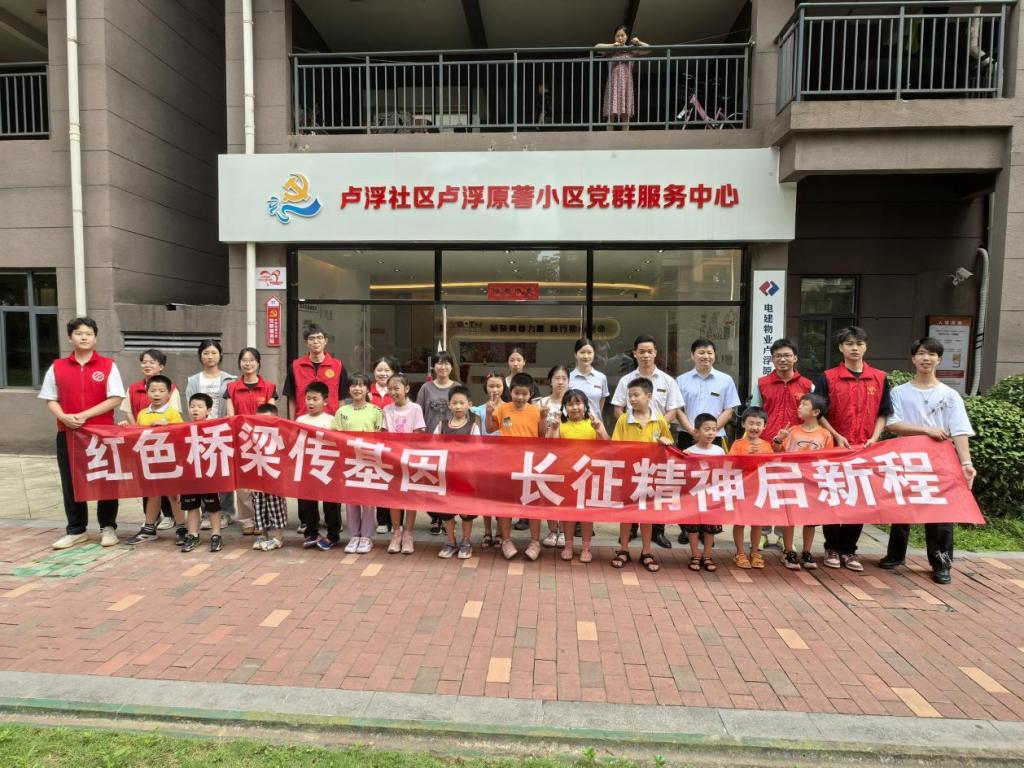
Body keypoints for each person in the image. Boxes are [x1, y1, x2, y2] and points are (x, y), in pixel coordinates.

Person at [879, 337, 976, 584]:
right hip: (906, 457)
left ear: (939, 360)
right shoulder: (899, 392)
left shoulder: (949, 395)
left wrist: (966, 463)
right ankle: (895, 555)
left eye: (932, 354)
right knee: (901, 508)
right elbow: (892, 424)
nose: (926, 358)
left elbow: (959, 430)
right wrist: (926, 430)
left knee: (940, 513)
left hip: (939, 461)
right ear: (913, 358)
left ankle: (941, 563)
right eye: (921, 353)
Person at [38, 317, 125, 550]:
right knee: (71, 481)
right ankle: (76, 530)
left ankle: (108, 527)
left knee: (106, 480)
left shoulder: (108, 365)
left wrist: (84, 415)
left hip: (102, 433)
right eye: (78, 333)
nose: (84, 337)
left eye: (88, 333)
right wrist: (64, 416)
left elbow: (116, 398)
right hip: (68, 432)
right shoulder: (57, 367)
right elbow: (50, 398)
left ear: (95, 338)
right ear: (70, 338)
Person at [814, 326, 892, 572]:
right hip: (835, 449)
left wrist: (875, 438)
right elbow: (818, 413)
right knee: (833, 497)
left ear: (865, 347)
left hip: (865, 450)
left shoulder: (879, 377)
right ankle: (831, 548)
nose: (855, 348)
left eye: (859, 343)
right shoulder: (827, 377)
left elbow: (884, 412)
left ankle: (849, 550)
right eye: (849, 344)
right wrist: (836, 436)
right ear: (841, 348)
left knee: (859, 499)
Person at [611, 335, 683, 547]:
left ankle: (657, 532)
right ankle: (631, 529)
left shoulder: (668, 381)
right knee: (632, 489)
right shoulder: (626, 381)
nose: (645, 355)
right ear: (635, 354)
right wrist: (630, 424)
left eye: (649, 351)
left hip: (657, 447)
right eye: (641, 351)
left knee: (656, 490)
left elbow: (673, 410)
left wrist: (656, 425)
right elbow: (618, 409)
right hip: (632, 449)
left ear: (655, 353)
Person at [673, 338, 740, 547]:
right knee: (687, 483)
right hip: (687, 436)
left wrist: (709, 430)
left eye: (709, 352)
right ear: (692, 355)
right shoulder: (681, 380)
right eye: (701, 352)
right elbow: (677, 409)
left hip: (715, 438)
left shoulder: (725, 380)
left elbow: (729, 409)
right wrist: (693, 430)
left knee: (712, 484)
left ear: (715, 355)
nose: (705, 356)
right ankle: (687, 528)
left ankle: (708, 527)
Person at [750, 338, 814, 548]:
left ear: (795, 358)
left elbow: (812, 416)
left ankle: (782, 534)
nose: (782, 359)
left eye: (787, 355)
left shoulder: (807, 385)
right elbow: (755, 413)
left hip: (795, 447)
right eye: (778, 356)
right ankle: (762, 533)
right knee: (764, 490)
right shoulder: (762, 383)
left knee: (788, 491)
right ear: (772, 359)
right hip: (766, 445)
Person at [610, 378, 674, 573]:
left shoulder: (659, 420)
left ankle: (647, 552)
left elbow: (669, 443)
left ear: (649, 396)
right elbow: (615, 445)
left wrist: (665, 442)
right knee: (627, 514)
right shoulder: (623, 419)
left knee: (647, 514)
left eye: (636, 395)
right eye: (630, 395)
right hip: (629, 474)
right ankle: (623, 549)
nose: (632, 399)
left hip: (650, 475)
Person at [121, 348, 182, 530]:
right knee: (147, 484)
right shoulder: (133, 388)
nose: (147, 365)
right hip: (142, 441)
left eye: (152, 362)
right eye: (144, 362)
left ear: (161, 366)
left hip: (163, 445)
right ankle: (151, 519)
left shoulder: (172, 388)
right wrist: (136, 431)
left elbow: (175, 419)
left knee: (168, 485)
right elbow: (129, 412)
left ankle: (172, 517)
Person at [488, 372, 546, 560]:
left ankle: (535, 542)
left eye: (524, 394)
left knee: (533, 504)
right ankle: (506, 540)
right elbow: (490, 429)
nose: (520, 397)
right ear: (510, 392)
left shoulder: (536, 411)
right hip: (506, 464)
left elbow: (542, 435)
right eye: (516, 393)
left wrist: (544, 417)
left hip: (530, 465)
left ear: (531, 394)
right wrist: (488, 414)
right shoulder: (503, 409)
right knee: (507, 503)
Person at [546, 388, 609, 562]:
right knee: (569, 513)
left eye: (578, 403)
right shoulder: (561, 424)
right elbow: (549, 446)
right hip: (567, 475)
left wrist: (599, 429)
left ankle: (586, 548)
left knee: (586, 514)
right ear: (564, 407)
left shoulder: (594, 422)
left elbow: (607, 445)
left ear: (585, 405)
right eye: (570, 404)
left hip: (588, 475)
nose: (574, 407)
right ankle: (568, 546)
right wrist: (554, 428)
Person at [773, 392, 834, 570]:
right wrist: (778, 439)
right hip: (792, 480)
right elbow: (778, 452)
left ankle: (807, 551)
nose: (799, 407)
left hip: (813, 482)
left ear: (816, 412)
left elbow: (828, 459)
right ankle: (788, 551)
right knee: (790, 517)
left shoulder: (825, 434)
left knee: (811, 518)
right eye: (800, 404)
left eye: (804, 404)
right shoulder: (792, 431)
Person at [225, 347, 278, 536]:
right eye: (244, 360)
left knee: (263, 481)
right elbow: (231, 416)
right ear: (239, 363)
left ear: (258, 363)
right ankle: (247, 519)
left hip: (263, 440)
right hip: (240, 440)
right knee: (242, 482)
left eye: (251, 360)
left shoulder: (269, 387)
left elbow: (271, 415)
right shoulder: (231, 388)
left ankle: (263, 518)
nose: (248, 364)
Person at [184, 339, 237, 528]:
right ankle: (207, 513)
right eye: (206, 353)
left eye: (214, 353)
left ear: (220, 355)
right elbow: (190, 406)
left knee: (224, 472)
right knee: (205, 471)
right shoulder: (193, 380)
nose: (210, 357)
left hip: (222, 431)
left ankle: (226, 512)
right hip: (201, 432)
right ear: (200, 356)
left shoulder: (230, 380)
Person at [333, 373, 383, 554]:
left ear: (368, 389)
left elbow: (381, 436)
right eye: (354, 385)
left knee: (368, 500)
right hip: (349, 461)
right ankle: (354, 535)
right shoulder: (342, 412)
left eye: (361, 385)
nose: (357, 389)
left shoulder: (376, 411)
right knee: (351, 500)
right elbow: (335, 436)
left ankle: (367, 536)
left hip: (370, 460)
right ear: (348, 389)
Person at [434, 385, 481, 560]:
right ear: (449, 405)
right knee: (447, 511)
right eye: (454, 403)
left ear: (469, 404)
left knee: (466, 513)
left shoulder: (473, 427)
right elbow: (433, 447)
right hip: (446, 476)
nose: (458, 406)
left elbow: (478, 451)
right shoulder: (441, 425)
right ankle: (450, 541)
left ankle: (466, 541)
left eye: (462, 403)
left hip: (466, 477)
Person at [382, 373, 426, 554]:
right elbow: (384, 433)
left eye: (396, 388)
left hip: (410, 459)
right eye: (390, 389)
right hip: (392, 459)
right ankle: (396, 533)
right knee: (394, 497)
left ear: (406, 389)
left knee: (410, 497)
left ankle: (408, 534)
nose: (393, 392)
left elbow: (418, 434)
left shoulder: (415, 408)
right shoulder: (386, 410)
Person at [295, 381, 343, 551]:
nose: (310, 402)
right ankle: (311, 532)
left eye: (315, 399)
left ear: (325, 401)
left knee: (330, 503)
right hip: (307, 467)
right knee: (307, 502)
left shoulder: (332, 420)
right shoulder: (300, 420)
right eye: (308, 398)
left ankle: (333, 534)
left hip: (327, 467)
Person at [417, 351, 459, 535]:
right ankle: (435, 517)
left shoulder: (457, 387)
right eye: (439, 363)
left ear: (451, 366)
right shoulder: (425, 388)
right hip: (430, 442)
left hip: (452, 442)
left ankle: (449, 517)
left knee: (450, 482)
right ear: (433, 367)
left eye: (446, 363)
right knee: (431, 481)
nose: (443, 367)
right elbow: (418, 413)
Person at [728, 407, 774, 570]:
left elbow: (770, 466)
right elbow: (731, 464)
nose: (754, 427)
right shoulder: (738, 444)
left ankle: (755, 552)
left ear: (764, 426)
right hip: (742, 490)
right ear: (743, 424)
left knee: (757, 523)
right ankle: (740, 553)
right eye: (751, 423)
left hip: (759, 490)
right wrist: (746, 456)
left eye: (758, 424)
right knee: (740, 521)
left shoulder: (767, 446)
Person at [179, 393, 224, 553]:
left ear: (209, 410)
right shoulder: (182, 428)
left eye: (199, 407)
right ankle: (193, 535)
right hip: (189, 475)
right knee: (191, 506)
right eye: (192, 406)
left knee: (212, 506)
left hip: (208, 474)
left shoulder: (214, 428)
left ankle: (216, 535)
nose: (195, 410)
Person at [682, 413, 726, 572]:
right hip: (694, 496)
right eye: (707, 429)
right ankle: (695, 555)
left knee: (710, 528)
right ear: (696, 431)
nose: (711, 433)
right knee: (692, 528)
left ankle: (707, 556)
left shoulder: (719, 451)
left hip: (712, 496)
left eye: (714, 429)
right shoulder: (688, 451)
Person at [535, 364, 570, 547]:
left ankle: (563, 531)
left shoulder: (574, 401)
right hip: (546, 456)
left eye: (564, 378)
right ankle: (552, 529)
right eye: (557, 378)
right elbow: (537, 432)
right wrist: (542, 417)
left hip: (567, 456)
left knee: (564, 493)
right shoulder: (541, 403)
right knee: (548, 491)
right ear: (550, 381)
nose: (560, 382)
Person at [283, 324, 347, 419]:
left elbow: (341, 399)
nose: (316, 341)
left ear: (325, 341)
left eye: (319, 338)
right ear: (306, 343)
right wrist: (292, 422)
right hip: (303, 421)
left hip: (331, 421)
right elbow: (291, 398)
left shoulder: (338, 366)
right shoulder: (295, 366)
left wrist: (341, 422)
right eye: (311, 338)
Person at [471, 371, 505, 549]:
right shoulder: (479, 409)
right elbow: (477, 433)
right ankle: (487, 531)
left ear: (504, 387)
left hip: (503, 458)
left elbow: (507, 431)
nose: (495, 389)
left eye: (498, 386)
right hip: (484, 458)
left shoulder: (508, 408)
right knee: (486, 495)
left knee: (501, 495)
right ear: (486, 387)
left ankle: (500, 532)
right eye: (491, 386)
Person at [595, 25, 649, 130]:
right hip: (613, 84)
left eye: (622, 35)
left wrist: (638, 42)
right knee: (611, 112)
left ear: (627, 37)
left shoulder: (631, 50)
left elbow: (648, 49)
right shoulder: (611, 50)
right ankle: (609, 136)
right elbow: (596, 47)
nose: (620, 38)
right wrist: (612, 45)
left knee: (625, 113)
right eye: (617, 36)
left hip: (626, 84)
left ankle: (625, 137)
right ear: (614, 37)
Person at [251, 402, 289, 551]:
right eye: (259, 419)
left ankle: (279, 537)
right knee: (258, 505)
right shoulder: (251, 435)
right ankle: (262, 534)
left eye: (267, 419)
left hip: (274, 477)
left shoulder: (280, 435)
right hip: (257, 477)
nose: (262, 423)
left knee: (276, 506)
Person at [369, 355, 399, 534]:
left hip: (394, 444)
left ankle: (397, 521)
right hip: (374, 444)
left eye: (387, 370)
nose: (383, 373)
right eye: (379, 370)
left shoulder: (397, 391)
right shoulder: (366, 391)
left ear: (393, 372)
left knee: (396, 482)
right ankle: (382, 520)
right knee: (380, 481)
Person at [568, 337, 609, 423]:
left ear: (594, 354)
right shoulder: (569, 378)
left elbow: (601, 402)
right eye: (582, 352)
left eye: (589, 352)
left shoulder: (601, 378)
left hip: (595, 425)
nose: (586, 356)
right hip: (573, 425)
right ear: (575, 354)